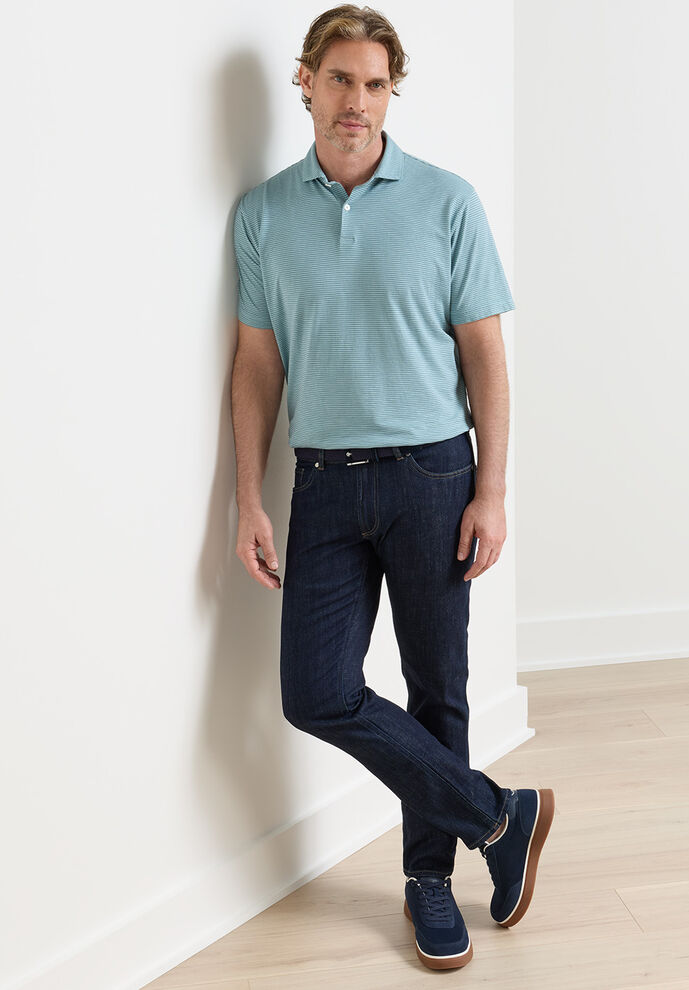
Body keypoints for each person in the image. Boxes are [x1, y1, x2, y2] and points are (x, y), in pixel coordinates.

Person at [230, 4, 553, 971]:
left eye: (375, 85)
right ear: (305, 82)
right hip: (323, 483)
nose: (357, 103)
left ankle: (428, 881)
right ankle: (500, 816)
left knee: (436, 687)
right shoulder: (263, 215)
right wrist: (248, 496)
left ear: (390, 94)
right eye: (340, 80)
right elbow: (257, 366)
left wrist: (492, 491)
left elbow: (486, 357)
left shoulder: (447, 201)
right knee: (315, 692)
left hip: (434, 474)